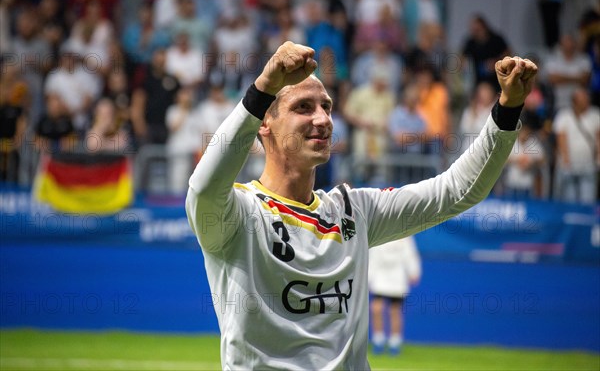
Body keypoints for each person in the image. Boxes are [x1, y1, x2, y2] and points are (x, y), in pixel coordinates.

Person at [185, 41, 537, 370]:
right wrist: (263, 86)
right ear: (264, 122)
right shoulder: (238, 214)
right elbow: (203, 186)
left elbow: (458, 191)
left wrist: (508, 110)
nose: (323, 119)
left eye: (326, 107)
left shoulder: (353, 210)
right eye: (303, 107)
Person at [368, 235, 421, 355]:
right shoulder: (379, 232)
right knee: (376, 308)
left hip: (398, 278)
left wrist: (414, 271)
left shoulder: (405, 236)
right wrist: (369, 278)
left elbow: (410, 255)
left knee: (395, 311)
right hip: (380, 277)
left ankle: (395, 342)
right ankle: (378, 339)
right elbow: (373, 257)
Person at [553, 88, 600, 204]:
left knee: (587, 201)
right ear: (574, 101)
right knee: (570, 201)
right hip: (569, 167)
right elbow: (561, 139)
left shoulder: (595, 114)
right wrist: (566, 161)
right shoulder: (564, 115)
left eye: (587, 98)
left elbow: (598, 138)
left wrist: (598, 158)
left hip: (588, 166)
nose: (586, 101)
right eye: (583, 99)